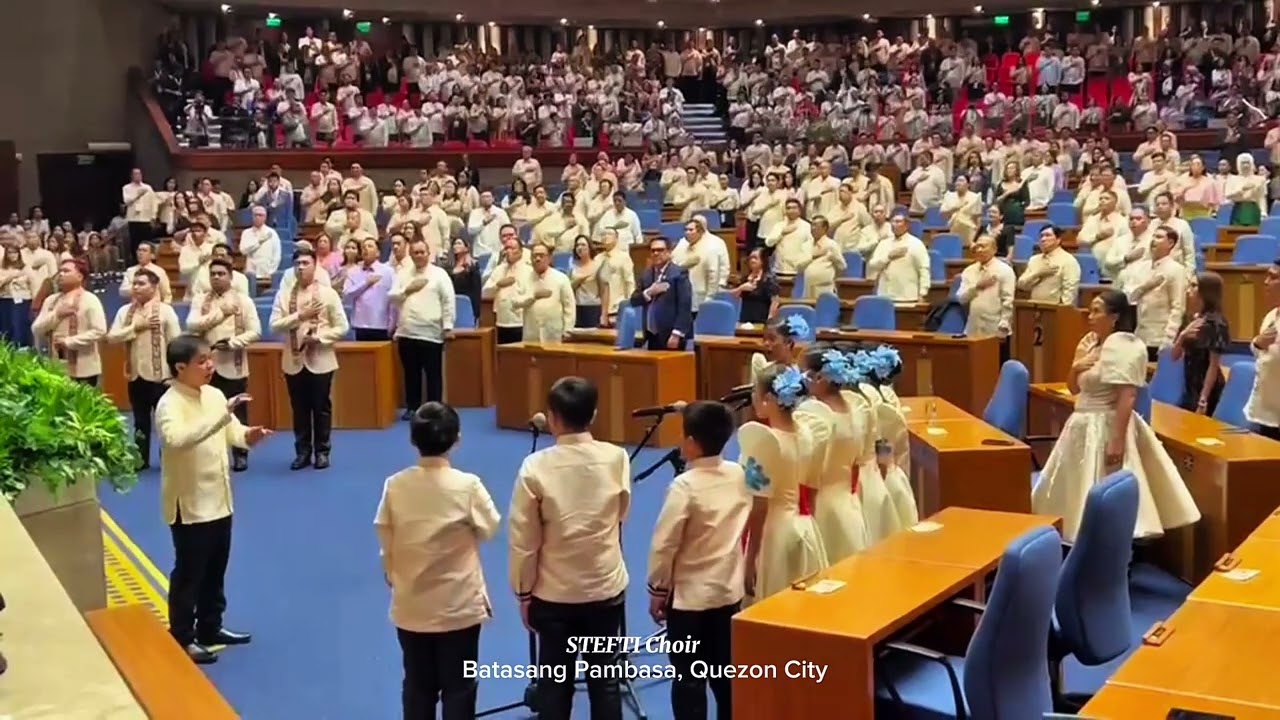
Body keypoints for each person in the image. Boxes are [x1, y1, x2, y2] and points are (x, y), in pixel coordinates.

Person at [1032, 290, 1201, 541]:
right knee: (1076, 493)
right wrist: (1076, 367)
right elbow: (1074, 388)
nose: (1090, 316)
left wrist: (1117, 439)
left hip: (1106, 424)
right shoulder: (1089, 343)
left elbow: (1128, 395)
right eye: (1090, 310)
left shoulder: (1124, 346)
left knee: (1104, 489)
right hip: (1081, 424)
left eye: (1097, 311)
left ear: (1114, 317)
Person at [508, 377, 630, 720]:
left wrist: (523, 593)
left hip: (553, 594)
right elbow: (620, 516)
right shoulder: (616, 457)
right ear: (593, 415)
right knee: (605, 681)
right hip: (604, 587)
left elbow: (524, 539)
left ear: (552, 417)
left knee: (554, 685)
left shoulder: (535, 467)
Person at [375, 401, 500, 720]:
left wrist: (393, 573)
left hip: (412, 605)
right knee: (459, 687)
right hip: (458, 607)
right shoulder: (468, 485)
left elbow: (385, 536)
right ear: (457, 438)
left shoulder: (395, 484)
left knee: (417, 686)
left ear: (413, 440)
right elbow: (490, 527)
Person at [154, 335, 272, 663]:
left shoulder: (215, 394)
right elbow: (176, 440)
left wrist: (248, 436)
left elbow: (231, 431)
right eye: (202, 361)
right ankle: (182, 635)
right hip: (189, 504)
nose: (210, 366)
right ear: (181, 368)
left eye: (210, 359)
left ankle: (210, 626)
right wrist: (221, 418)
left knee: (216, 569)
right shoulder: (169, 403)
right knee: (189, 573)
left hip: (220, 497)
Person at [647, 401, 750, 720]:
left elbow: (665, 544)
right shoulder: (738, 474)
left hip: (689, 601)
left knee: (689, 679)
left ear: (690, 443)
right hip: (727, 591)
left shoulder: (684, 486)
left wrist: (657, 588)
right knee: (725, 674)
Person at [738, 364, 827, 602]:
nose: (753, 400)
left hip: (775, 531)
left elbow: (759, 506)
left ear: (768, 398)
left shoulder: (766, 441)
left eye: (755, 394)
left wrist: (749, 560)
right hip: (803, 524)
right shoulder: (807, 433)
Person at [269, 247, 350, 470]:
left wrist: (322, 338)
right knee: (299, 408)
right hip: (293, 360)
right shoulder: (284, 294)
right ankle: (302, 452)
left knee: (321, 407)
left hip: (321, 359)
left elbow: (342, 326)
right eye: (297, 264)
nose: (301, 268)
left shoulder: (328, 294)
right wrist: (299, 317)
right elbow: (274, 325)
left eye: (305, 263)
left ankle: (322, 451)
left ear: (315, 266)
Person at [795, 345, 871, 562]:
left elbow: (806, 470)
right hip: (849, 502)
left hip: (821, 505)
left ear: (819, 377)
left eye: (803, 372)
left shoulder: (812, 414)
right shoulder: (856, 408)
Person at [186, 258, 262, 472]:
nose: (217, 277)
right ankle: (211, 453)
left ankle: (241, 454)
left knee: (237, 411)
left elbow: (255, 331)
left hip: (233, 364)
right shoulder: (200, 300)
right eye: (213, 274)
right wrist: (220, 314)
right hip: (205, 367)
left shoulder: (244, 301)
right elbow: (191, 324)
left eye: (221, 273)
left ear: (231, 276)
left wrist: (233, 343)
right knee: (206, 412)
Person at [106, 268, 182, 469]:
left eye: (142, 284)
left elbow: (176, 344)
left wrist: (175, 375)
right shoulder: (125, 312)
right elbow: (112, 337)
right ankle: (140, 459)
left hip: (161, 376)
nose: (137, 288)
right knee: (140, 421)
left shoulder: (166, 311)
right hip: (135, 375)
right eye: (135, 284)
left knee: (165, 421)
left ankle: (169, 459)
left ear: (154, 287)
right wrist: (135, 328)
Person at [390, 239, 456, 419]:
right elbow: (392, 298)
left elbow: (448, 301)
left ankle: (435, 409)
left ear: (428, 254)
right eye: (415, 253)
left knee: (433, 375)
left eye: (422, 252)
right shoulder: (403, 274)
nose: (419, 255)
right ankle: (413, 407)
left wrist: (448, 326)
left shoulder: (440, 274)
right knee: (411, 374)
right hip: (407, 332)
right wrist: (407, 290)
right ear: (410, 255)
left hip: (431, 333)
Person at [31, 258, 106, 386]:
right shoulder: (51, 301)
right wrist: (57, 315)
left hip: (84, 367)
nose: (61, 274)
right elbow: (36, 329)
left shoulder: (90, 299)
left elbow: (100, 331)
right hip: (55, 367)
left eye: (66, 271)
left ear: (79, 276)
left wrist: (69, 342)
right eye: (60, 271)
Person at [1170, 272, 1230, 415]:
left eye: (1194, 286)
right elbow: (1174, 356)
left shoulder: (1217, 323)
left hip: (1207, 390)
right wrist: (1182, 336)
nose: (1188, 290)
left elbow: (1213, 365)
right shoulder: (1190, 318)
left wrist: (1203, 400)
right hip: (1189, 385)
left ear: (1206, 292)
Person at [956, 235, 1016, 363]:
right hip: (973, 330)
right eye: (977, 246)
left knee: (996, 369)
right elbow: (961, 298)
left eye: (983, 246)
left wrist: (1003, 326)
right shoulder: (969, 271)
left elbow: (1008, 300)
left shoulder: (1005, 270)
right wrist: (977, 286)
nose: (979, 249)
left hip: (995, 330)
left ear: (994, 249)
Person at [630, 236, 693, 350]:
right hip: (651, 334)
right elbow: (634, 300)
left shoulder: (679, 273)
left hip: (671, 335)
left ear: (669, 252)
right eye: (653, 250)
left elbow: (684, 306)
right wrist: (649, 292)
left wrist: (676, 334)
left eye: (660, 250)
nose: (656, 253)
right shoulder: (647, 274)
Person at [1246, 260, 1280, 441]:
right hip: (1267, 411)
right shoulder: (1270, 316)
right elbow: (1261, 354)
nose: (1266, 282)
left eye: (1273, 277)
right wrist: (1257, 344)